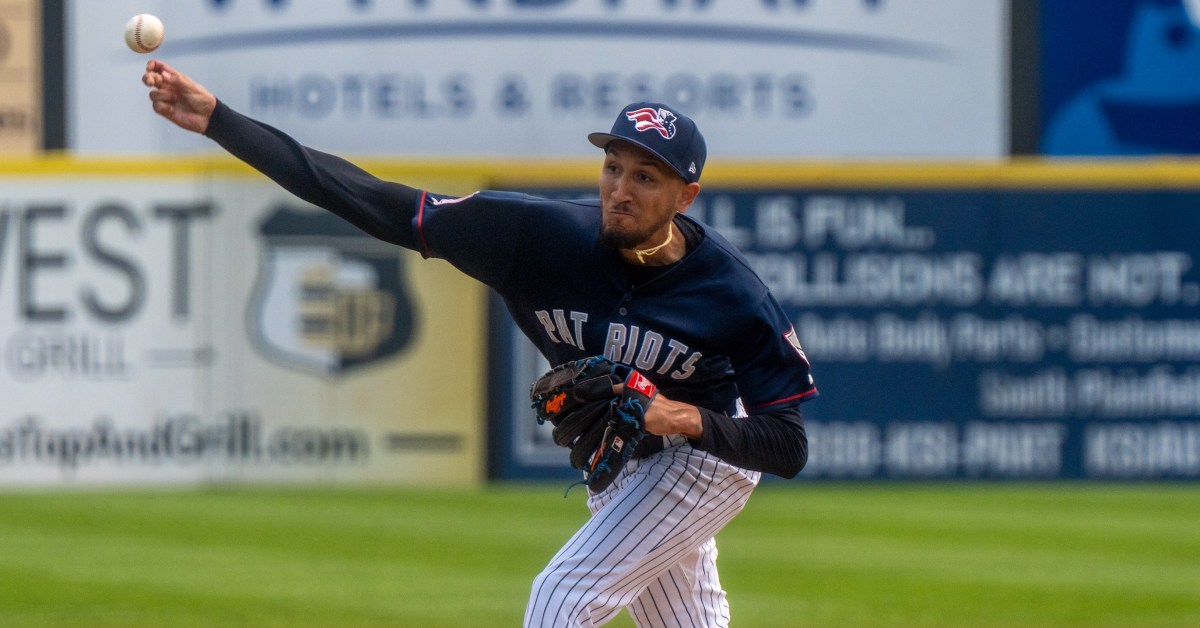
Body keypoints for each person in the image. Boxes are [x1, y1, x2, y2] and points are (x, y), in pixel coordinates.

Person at [142, 59, 817, 627]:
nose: (621, 189)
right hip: (625, 456)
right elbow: (371, 200)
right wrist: (219, 120)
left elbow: (787, 444)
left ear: (686, 195)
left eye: (646, 177)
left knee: (563, 595)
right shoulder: (533, 237)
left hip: (707, 455)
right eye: (614, 167)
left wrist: (681, 417)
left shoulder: (732, 293)